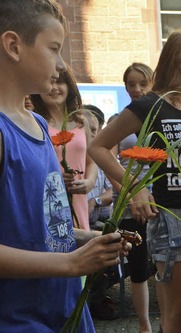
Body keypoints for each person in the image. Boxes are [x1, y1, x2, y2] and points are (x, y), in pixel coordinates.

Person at [0, 1, 130, 331]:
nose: (61, 65)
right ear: (14, 45)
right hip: (19, 319)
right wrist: (71, 263)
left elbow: (45, 229)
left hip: (66, 310)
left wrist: (91, 239)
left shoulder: (40, 126)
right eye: (54, 49)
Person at [90, 32, 181, 333]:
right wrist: (135, 186)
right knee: (175, 313)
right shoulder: (149, 105)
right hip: (168, 217)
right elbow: (98, 146)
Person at [101, 62, 156, 332]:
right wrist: (130, 194)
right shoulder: (120, 120)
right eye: (131, 84)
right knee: (137, 265)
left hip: (157, 201)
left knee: (160, 262)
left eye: (141, 83)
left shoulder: (158, 116)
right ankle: (144, 324)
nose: (136, 89)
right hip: (128, 202)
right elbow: (107, 158)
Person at [31, 64, 98, 231]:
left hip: (79, 199)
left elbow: (91, 162)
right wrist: (56, 177)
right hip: (50, 200)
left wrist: (89, 182)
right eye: (49, 82)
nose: (54, 88)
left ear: (69, 86)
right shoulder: (35, 123)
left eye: (60, 82)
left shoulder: (82, 122)